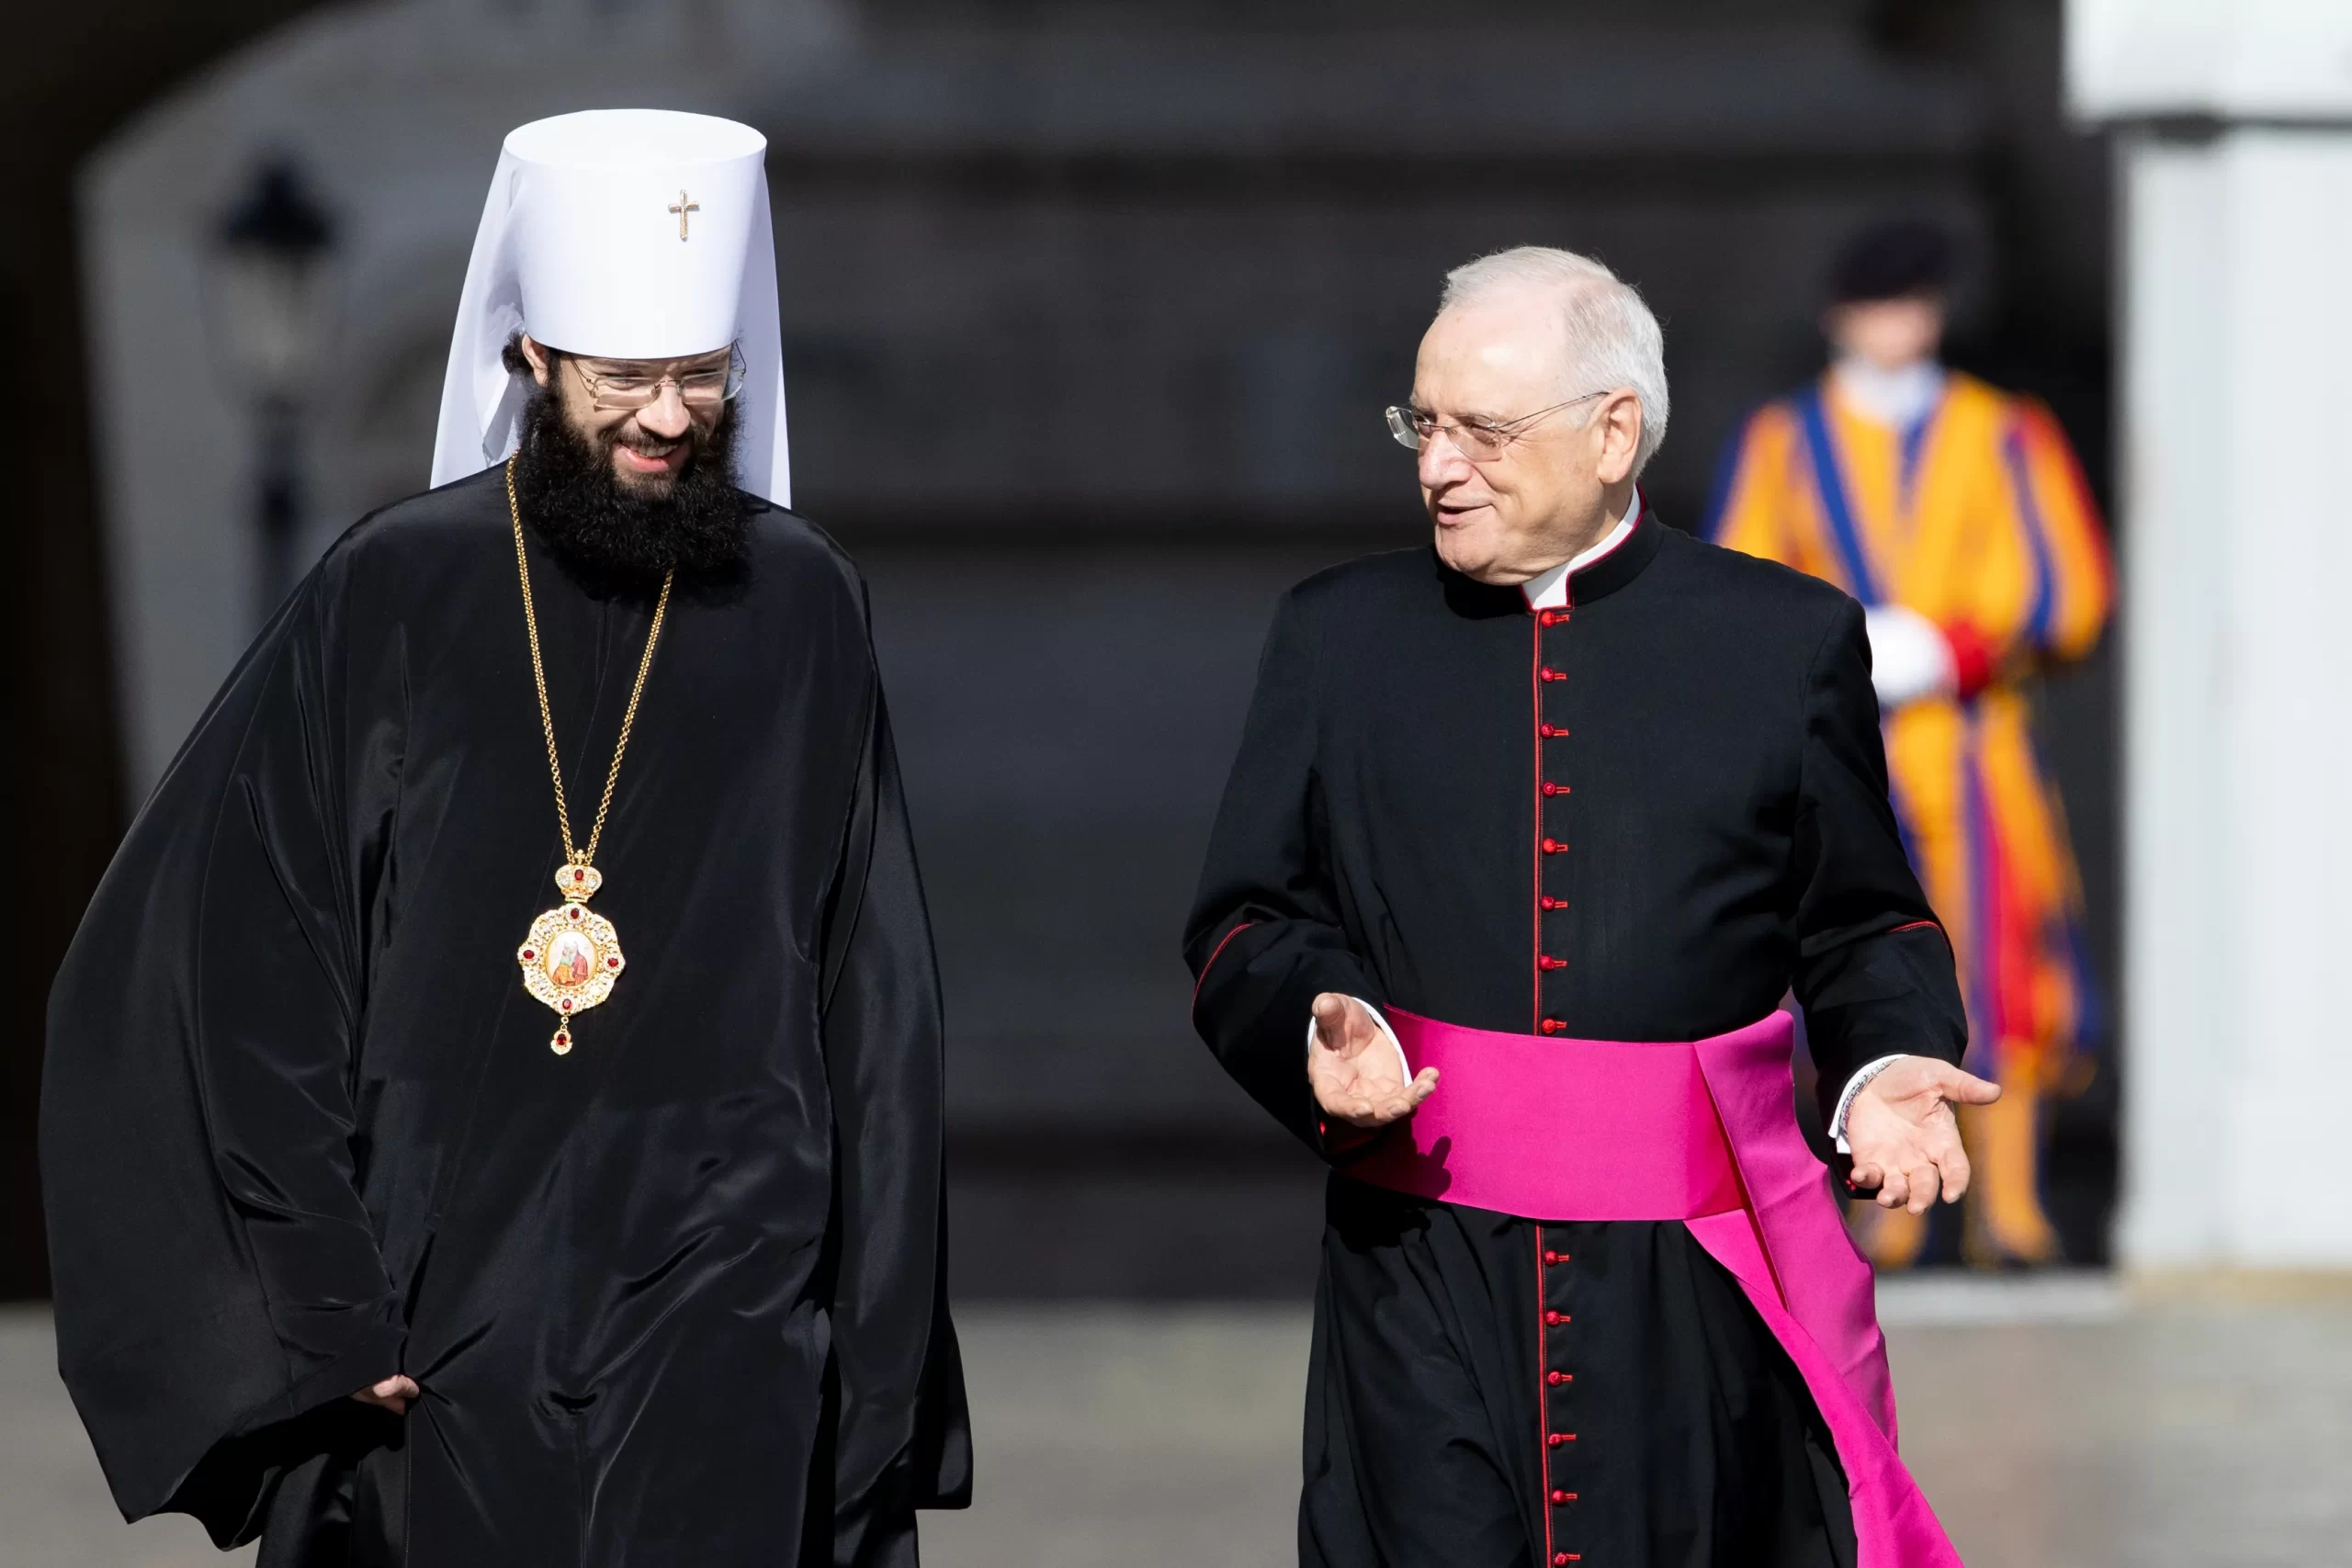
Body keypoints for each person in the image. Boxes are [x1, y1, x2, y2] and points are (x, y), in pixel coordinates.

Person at [43, 109, 968, 1566]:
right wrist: (322, 1291)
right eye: (626, 377)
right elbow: (252, 961)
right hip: (444, 1303)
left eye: (701, 374)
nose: (669, 416)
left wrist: (872, 1345)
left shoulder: (805, 602)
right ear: (532, 357)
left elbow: (874, 992)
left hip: (728, 1302)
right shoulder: (394, 585)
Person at [1185, 246, 1985, 1567]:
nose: (1438, 464)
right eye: (1422, 423)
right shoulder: (1337, 635)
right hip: (1423, 1269)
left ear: (1615, 430)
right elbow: (1241, 918)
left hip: (1690, 1292)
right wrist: (1314, 1018)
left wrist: (1884, 1062)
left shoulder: (1783, 641)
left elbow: (1862, 923)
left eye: (1483, 431)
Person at [1706, 220, 2112, 1269]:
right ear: (1843, 318)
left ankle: (2008, 1206)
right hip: (1839, 748)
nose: (1899, 325)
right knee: (1835, 960)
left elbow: (2067, 586)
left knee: (2004, 967)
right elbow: (1740, 585)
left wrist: (1955, 646)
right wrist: (1835, 651)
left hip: (1974, 746)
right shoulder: (1781, 443)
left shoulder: (2005, 432)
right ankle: (1882, 1199)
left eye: (1914, 305)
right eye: (1881, 307)